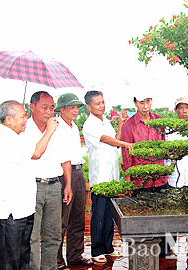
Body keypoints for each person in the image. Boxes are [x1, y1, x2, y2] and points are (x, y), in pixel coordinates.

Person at [0, 91, 72, 270]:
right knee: (12, 256)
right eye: (21, 116)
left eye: (51, 107)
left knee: (24, 250)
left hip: (24, 204)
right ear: (8, 119)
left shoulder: (14, 136)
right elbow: (36, 153)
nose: (24, 120)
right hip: (12, 209)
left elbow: (64, 158)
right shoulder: (5, 139)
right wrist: (49, 131)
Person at [82, 90, 133, 264]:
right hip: (101, 178)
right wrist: (125, 143)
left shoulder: (106, 122)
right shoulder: (89, 124)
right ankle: (97, 250)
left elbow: (114, 138)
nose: (102, 106)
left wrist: (120, 124)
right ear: (89, 106)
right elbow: (106, 139)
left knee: (109, 214)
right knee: (99, 214)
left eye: (103, 102)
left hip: (112, 177)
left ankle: (108, 248)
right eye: (97, 103)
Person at [54, 93, 93, 269]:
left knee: (77, 218)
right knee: (62, 220)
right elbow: (62, 158)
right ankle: (56, 260)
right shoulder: (56, 126)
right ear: (61, 109)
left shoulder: (73, 126)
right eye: (72, 107)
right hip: (63, 175)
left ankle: (75, 255)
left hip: (77, 172)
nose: (76, 110)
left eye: (77, 107)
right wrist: (67, 184)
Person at [120, 94, 168, 191]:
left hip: (159, 177)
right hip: (139, 180)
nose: (145, 106)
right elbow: (126, 154)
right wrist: (127, 177)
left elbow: (164, 146)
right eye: (141, 102)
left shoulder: (159, 121)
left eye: (148, 101)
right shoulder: (128, 126)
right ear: (135, 103)